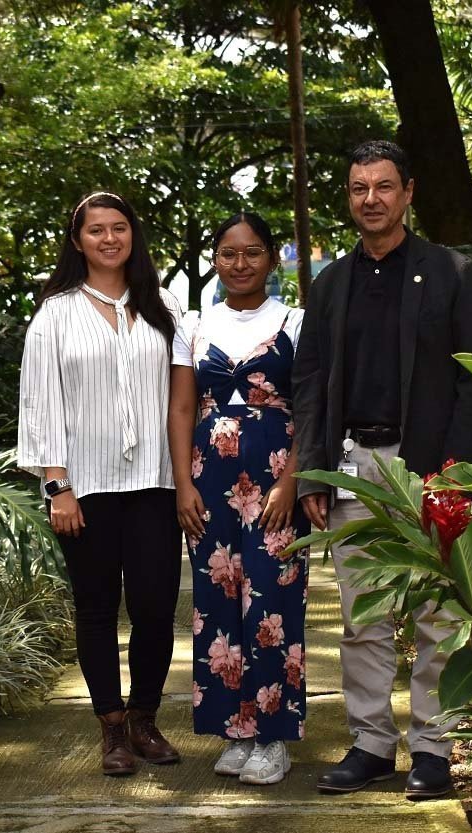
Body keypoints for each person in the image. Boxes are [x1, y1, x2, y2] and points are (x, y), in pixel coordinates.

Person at [291, 141, 472, 799]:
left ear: (407, 192)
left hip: (427, 468)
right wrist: (315, 472)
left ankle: (433, 748)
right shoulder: (330, 283)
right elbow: (312, 379)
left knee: (435, 613)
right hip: (355, 465)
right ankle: (373, 742)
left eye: (382, 186)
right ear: (348, 197)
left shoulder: (451, 273)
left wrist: (456, 475)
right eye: (358, 188)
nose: (370, 198)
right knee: (363, 615)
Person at [17, 191, 184, 777]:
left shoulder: (163, 307)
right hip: (83, 489)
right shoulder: (56, 312)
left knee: (156, 607)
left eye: (119, 228)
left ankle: (144, 719)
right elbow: (40, 403)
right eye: (96, 230)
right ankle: (111, 729)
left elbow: (184, 394)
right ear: (78, 240)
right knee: (95, 609)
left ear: (133, 235)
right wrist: (55, 485)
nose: (109, 239)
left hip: (156, 484)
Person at [168, 212, 309, 786]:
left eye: (253, 252)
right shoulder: (195, 326)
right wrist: (182, 484)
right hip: (209, 480)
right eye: (229, 253)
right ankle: (234, 728)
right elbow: (181, 408)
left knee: (273, 599)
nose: (240, 263)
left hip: (275, 475)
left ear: (272, 258)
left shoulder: (296, 321)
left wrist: (293, 480)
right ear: (215, 260)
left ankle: (273, 738)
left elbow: (312, 406)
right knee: (217, 599)